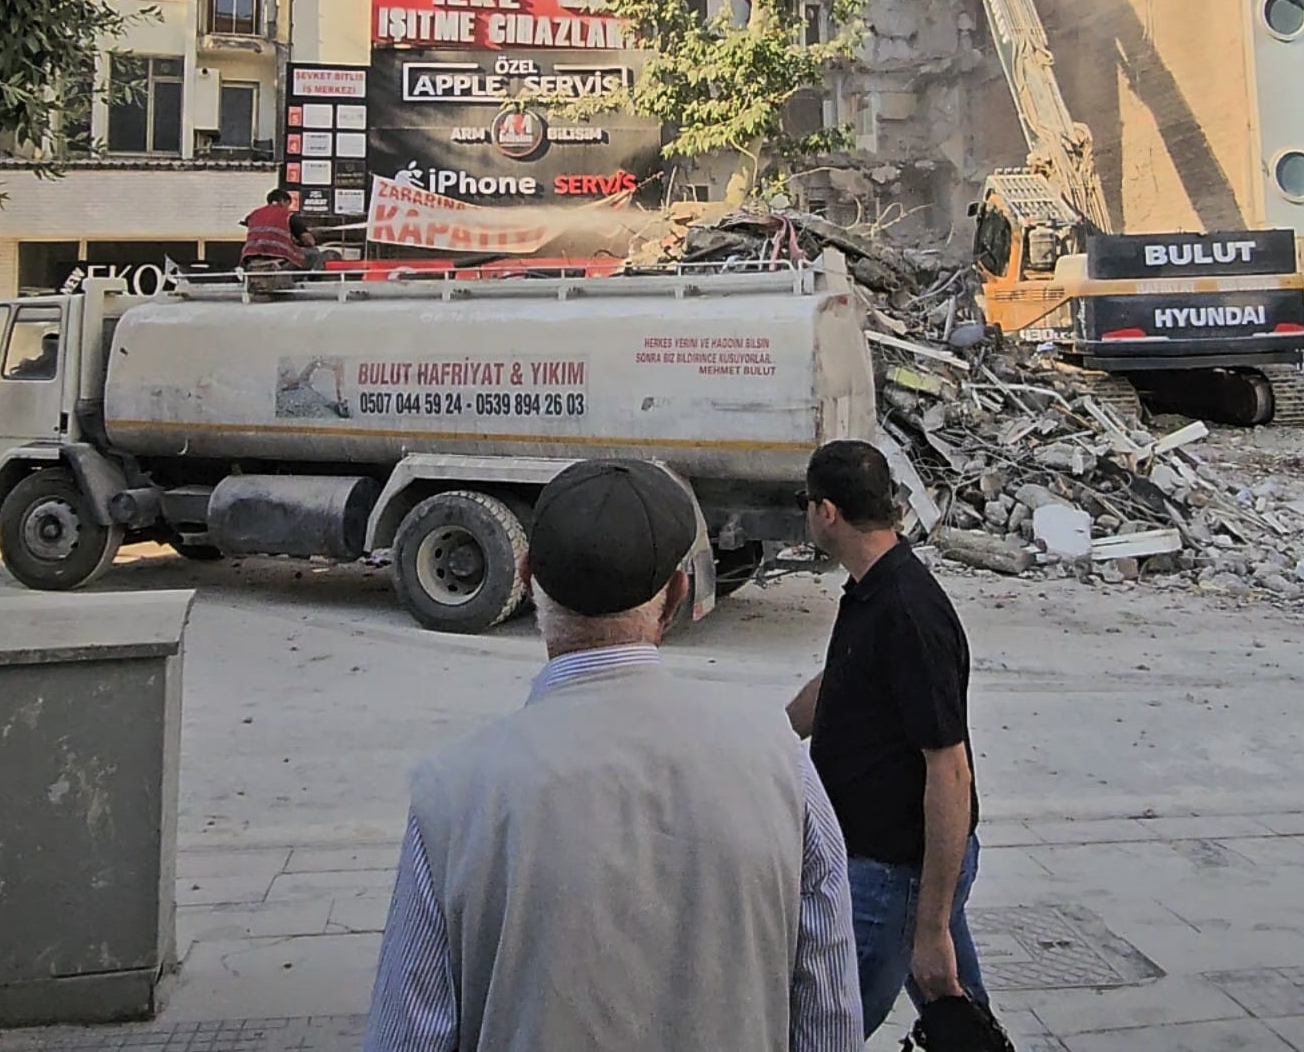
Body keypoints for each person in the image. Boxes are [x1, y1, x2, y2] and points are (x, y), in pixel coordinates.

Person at [365, 459, 864, 1052]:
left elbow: (408, 1036)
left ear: (525, 577)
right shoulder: (781, 766)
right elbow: (829, 1020)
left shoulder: (454, 794)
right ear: (677, 596)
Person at [787, 440, 987, 1040]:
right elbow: (844, 681)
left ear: (826, 512)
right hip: (896, 876)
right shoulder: (872, 588)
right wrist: (769, 736)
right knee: (960, 1020)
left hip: (893, 879)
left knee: (822, 1032)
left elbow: (949, 771)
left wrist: (928, 928)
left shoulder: (907, 610)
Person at [241, 188, 319, 271]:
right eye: (288, 204)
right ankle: (304, 278)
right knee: (313, 253)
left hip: (250, 255)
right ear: (283, 201)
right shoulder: (287, 215)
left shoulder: (254, 214)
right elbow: (309, 241)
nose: (288, 208)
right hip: (279, 254)